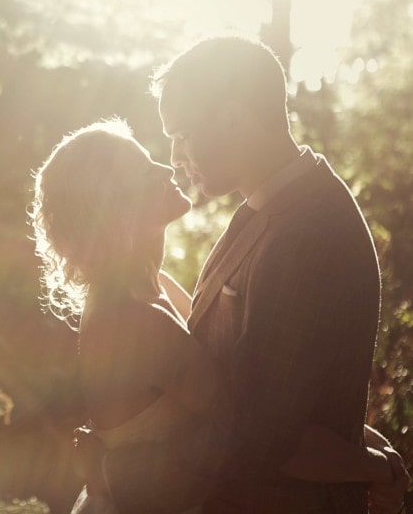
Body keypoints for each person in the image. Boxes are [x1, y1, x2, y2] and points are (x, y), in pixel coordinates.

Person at [149, 34, 409, 513]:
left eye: (182, 134)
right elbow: (275, 387)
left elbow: (271, 436)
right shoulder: (264, 206)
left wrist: (378, 470)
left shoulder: (309, 233)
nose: (175, 158)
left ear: (234, 116)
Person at [30, 118, 233, 513]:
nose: (167, 168)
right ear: (117, 207)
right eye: (145, 171)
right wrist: (361, 462)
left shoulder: (150, 285)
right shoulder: (134, 321)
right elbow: (239, 428)